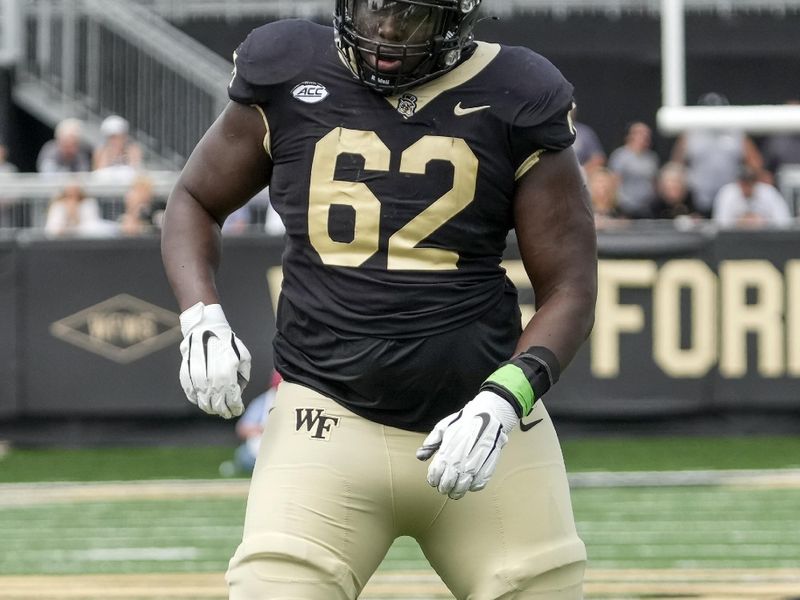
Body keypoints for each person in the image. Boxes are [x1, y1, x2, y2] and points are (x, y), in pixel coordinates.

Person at [161, 2, 597, 598]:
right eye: (372, 7)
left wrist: (507, 397)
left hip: (483, 426)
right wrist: (200, 314)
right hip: (325, 421)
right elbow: (194, 199)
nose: (386, 31)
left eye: (411, 14)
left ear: (454, 18)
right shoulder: (289, 71)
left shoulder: (516, 92)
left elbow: (570, 285)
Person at [670, 92, 763, 218]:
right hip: (697, 197)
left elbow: (755, 163)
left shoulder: (736, 132)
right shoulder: (690, 133)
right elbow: (676, 164)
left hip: (730, 196)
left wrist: (745, 183)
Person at [221, 371, 282, 476]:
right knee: (244, 456)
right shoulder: (263, 400)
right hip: (262, 446)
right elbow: (242, 428)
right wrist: (262, 430)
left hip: (285, 446)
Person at [712, 165, 793, 229]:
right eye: (744, 184)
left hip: (765, 240)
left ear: (756, 182)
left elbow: (784, 221)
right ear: (738, 182)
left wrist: (763, 222)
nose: (747, 188)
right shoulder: (727, 193)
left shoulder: (769, 192)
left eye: (750, 184)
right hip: (734, 241)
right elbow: (720, 223)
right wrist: (739, 222)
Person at [607, 121, 659, 218]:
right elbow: (614, 181)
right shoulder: (620, 156)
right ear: (630, 135)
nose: (644, 136)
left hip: (647, 207)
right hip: (625, 207)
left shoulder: (652, 158)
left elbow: (654, 182)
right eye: (639, 133)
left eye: (646, 134)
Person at [44, 182, 109, 237]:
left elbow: (92, 225)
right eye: (70, 193)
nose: (73, 195)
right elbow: (52, 228)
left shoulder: (88, 203)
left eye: (75, 192)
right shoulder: (58, 206)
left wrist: (75, 215)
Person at [569, 104, 605, 177]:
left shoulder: (584, 133)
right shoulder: (548, 132)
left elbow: (598, 158)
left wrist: (581, 171)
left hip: (580, 178)